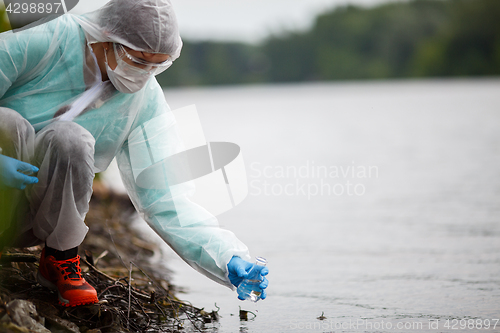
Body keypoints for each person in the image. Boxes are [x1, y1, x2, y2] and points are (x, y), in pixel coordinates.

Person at [0, 0, 268, 307]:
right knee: (8, 122)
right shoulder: (45, 40)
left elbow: (166, 198)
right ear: (106, 37)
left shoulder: (145, 101)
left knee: (71, 138)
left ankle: (60, 259)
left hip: (34, 218)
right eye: (139, 61)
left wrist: (226, 257)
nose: (145, 75)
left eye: (158, 64)